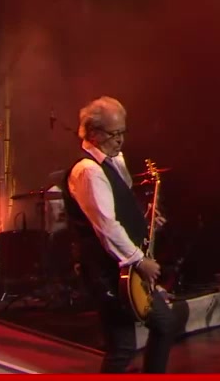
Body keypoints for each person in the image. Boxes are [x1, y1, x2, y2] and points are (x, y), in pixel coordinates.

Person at [62, 96, 178, 373]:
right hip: (106, 272)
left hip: (121, 269)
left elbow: (119, 213)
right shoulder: (88, 170)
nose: (121, 140)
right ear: (93, 133)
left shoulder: (112, 163)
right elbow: (106, 226)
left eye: (123, 132)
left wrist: (145, 222)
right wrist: (139, 260)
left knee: (161, 325)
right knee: (123, 345)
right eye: (114, 134)